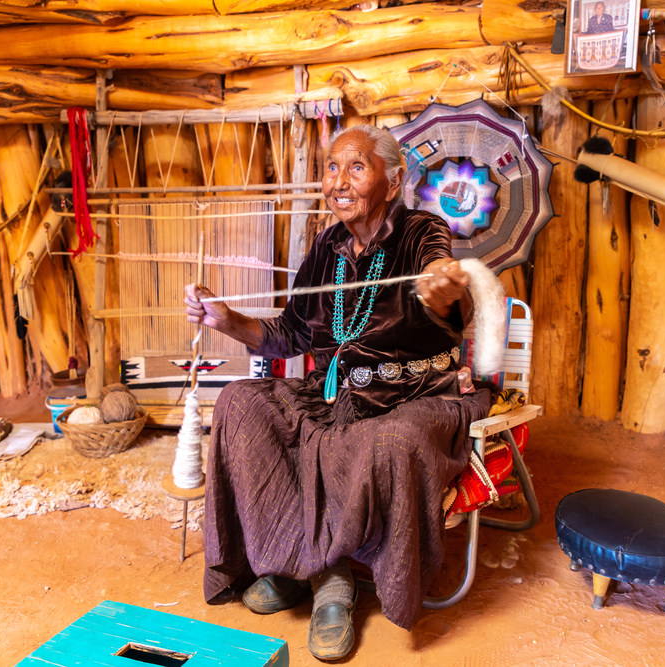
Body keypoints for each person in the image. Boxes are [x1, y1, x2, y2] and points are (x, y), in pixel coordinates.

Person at [184, 125, 493, 661]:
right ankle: (304, 561)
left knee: (384, 442)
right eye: (331, 168)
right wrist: (225, 319)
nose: (338, 182)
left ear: (393, 182)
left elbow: (449, 298)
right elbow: (289, 335)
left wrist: (445, 291)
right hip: (335, 394)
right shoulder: (327, 246)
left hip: (414, 398)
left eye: (356, 167)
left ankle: (329, 580)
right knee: (242, 403)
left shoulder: (423, 232)